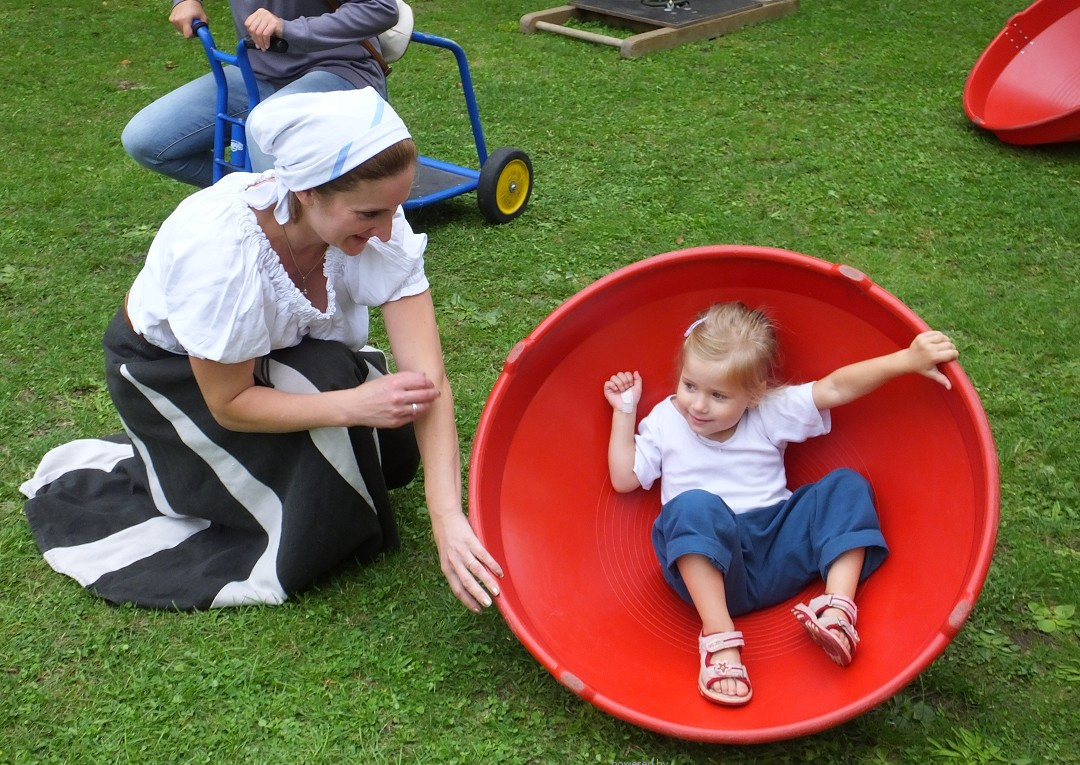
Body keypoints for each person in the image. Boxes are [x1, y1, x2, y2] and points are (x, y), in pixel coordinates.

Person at [22, 88, 503, 613]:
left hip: (276, 355)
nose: (387, 230)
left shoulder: (375, 225)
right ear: (307, 193)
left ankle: (320, 420)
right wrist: (353, 407)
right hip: (173, 376)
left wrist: (448, 518)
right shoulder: (220, 250)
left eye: (395, 208)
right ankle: (186, 466)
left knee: (389, 450)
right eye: (369, 213)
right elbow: (229, 405)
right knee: (326, 498)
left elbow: (428, 381)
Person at [603, 302, 958, 706]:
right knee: (691, 507)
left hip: (778, 545)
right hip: (711, 564)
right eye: (690, 385)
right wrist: (625, 412)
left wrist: (904, 360)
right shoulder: (667, 420)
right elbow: (625, 478)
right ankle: (720, 638)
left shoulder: (768, 411)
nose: (698, 405)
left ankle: (838, 608)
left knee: (846, 485)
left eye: (718, 395)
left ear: (753, 395)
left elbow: (835, 388)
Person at [122, 0, 399, 187]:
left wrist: (289, 29)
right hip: (258, 71)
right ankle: (259, 198)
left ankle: (291, 223)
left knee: (265, 125)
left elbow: (381, 9)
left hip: (339, 68)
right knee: (145, 140)